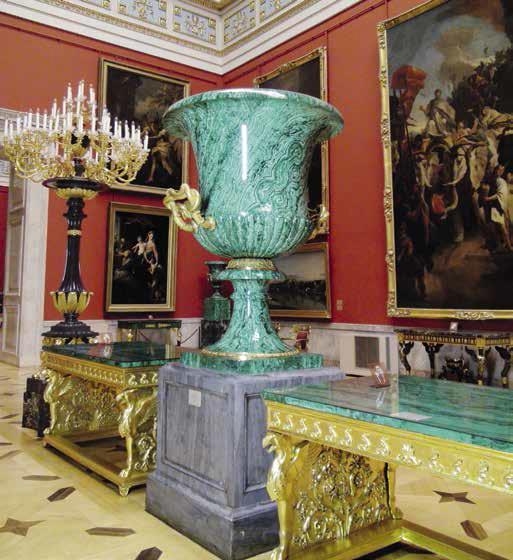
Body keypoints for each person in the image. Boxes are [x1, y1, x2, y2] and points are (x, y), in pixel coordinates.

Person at [483, 164, 512, 251]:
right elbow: (496, 193)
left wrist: (488, 198)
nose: (500, 171)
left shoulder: (500, 181)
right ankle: (506, 246)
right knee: (498, 227)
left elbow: (500, 194)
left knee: (503, 227)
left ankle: (508, 246)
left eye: (502, 170)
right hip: (495, 207)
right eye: (499, 170)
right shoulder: (495, 180)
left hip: (498, 207)